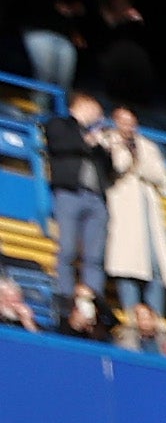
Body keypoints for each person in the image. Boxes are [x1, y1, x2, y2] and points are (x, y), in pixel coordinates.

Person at [41, 94, 110, 313]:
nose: (99, 117)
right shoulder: (58, 124)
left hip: (96, 197)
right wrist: (87, 141)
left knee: (95, 255)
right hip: (69, 193)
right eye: (96, 111)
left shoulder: (97, 137)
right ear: (84, 105)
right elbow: (59, 145)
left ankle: (93, 300)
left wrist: (102, 147)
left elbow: (108, 166)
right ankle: (65, 296)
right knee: (68, 248)